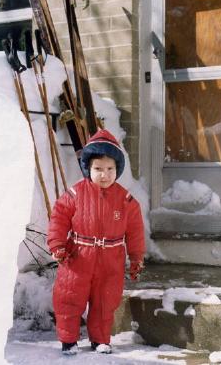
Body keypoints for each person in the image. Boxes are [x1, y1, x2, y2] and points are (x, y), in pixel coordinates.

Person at [47, 129, 146, 355]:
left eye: (110, 169)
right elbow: (59, 219)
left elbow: (135, 232)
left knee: (105, 302)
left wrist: (136, 258)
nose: (104, 174)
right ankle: (69, 340)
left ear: (117, 169)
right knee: (69, 298)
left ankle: (100, 340)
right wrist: (57, 245)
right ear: (88, 169)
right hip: (78, 258)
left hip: (111, 260)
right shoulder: (74, 194)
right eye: (98, 169)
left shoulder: (127, 200)